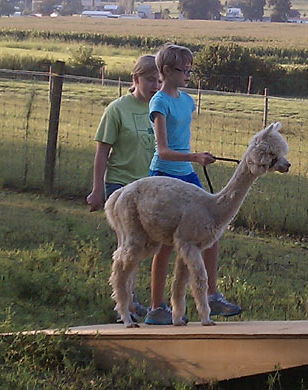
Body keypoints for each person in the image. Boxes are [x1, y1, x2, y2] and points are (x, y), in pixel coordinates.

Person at [145, 43, 242, 325]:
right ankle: (157, 307)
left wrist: (193, 159)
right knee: (165, 244)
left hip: (188, 175)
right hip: (164, 176)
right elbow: (162, 150)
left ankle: (211, 295)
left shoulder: (187, 101)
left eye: (190, 69)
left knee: (210, 233)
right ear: (165, 71)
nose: (188, 74)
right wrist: (195, 156)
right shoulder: (159, 102)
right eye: (182, 69)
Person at [86, 54, 161, 322]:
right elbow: (102, 153)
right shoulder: (117, 110)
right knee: (129, 245)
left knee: (146, 245)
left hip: (150, 187)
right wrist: (97, 190)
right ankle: (125, 305)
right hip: (120, 185)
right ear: (135, 78)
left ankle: (136, 301)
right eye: (150, 79)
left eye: (159, 80)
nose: (155, 85)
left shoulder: (158, 109)